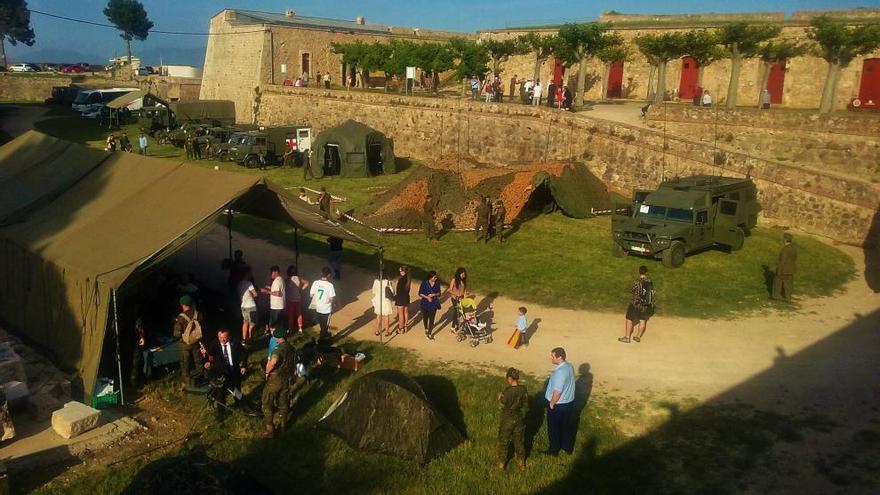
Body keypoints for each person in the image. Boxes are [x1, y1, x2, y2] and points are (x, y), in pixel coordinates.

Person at [203, 328, 248, 420]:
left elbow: (244, 353)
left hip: (233, 371)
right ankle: (221, 412)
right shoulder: (214, 344)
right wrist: (207, 361)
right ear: (218, 337)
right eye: (221, 337)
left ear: (228, 337)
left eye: (225, 338)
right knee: (220, 393)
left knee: (236, 389)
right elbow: (209, 356)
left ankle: (239, 405)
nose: (223, 340)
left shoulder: (235, 343)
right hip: (221, 372)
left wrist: (243, 365)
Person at [262, 325, 293, 438]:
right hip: (287, 379)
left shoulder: (278, 349)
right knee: (284, 403)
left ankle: (270, 430)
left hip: (275, 380)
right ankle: (283, 426)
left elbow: (274, 361)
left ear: (277, 337)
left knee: (267, 403)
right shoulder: (291, 348)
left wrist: (267, 372)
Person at [544, 347, 575, 456]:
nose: (551, 358)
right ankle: (567, 447)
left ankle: (554, 449)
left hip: (558, 405)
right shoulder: (569, 366)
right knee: (566, 426)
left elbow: (557, 392)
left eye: (553, 356)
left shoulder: (560, 373)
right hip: (569, 402)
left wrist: (552, 404)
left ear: (559, 357)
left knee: (554, 428)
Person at [497, 367, 528, 470]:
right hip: (519, 418)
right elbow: (526, 405)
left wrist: (500, 397)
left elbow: (502, 405)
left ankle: (502, 464)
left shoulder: (508, 391)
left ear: (510, 378)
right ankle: (521, 462)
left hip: (507, 419)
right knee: (519, 441)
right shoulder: (523, 389)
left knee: (504, 442)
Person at [172, 295, 205, 391]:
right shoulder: (198, 314)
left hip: (185, 344)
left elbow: (177, 334)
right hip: (197, 342)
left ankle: (187, 383)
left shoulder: (181, 317)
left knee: (185, 364)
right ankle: (199, 379)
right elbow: (204, 329)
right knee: (198, 362)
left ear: (182, 305)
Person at [619, 265, 653, 343]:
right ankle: (638, 337)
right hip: (645, 305)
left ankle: (627, 337)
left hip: (635, 303)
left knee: (629, 319)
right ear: (646, 272)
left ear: (639, 272)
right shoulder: (650, 282)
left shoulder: (637, 282)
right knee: (642, 320)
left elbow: (632, 290)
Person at [310, 267, 337, 340]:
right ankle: (322, 339)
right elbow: (332, 298)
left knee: (322, 324)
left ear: (321, 273)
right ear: (329, 275)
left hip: (318, 307)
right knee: (325, 325)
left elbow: (311, 295)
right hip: (326, 308)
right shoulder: (330, 285)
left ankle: (324, 334)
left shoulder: (315, 282)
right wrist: (334, 304)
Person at [772, 233, 797, 302]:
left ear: (785, 239)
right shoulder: (794, 248)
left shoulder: (785, 249)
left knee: (777, 282)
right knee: (788, 285)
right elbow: (794, 258)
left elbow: (782, 261)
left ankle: (776, 297)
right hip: (791, 269)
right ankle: (788, 298)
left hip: (783, 269)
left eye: (783, 238)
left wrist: (778, 271)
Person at [419, 271, 442, 340]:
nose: (436, 278)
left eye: (436, 277)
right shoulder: (424, 283)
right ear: (430, 277)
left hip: (433, 304)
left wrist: (434, 294)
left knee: (432, 319)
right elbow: (420, 293)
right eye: (434, 277)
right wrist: (427, 297)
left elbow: (439, 293)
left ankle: (429, 333)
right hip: (424, 304)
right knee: (425, 318)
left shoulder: (437, 283)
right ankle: (426, 328)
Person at [286, 265, 309, 333]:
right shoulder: (298, 278)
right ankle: (300, 327)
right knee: (299, 314)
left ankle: (291, 328)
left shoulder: (288, 279)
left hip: (290, 299)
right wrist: (301, 289)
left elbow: (285, 288)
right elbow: (307, 283)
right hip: (298, 299)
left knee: (291, 315)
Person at [239, 267, 258, 344]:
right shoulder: (249, 284)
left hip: (243, 306)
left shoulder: (239, 284)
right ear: (246, 274)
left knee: (245, 322)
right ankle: (250, 338)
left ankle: (244, 339)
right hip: (251, 305)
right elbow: (255, 294)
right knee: (252, 323)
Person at [447, 267, 467, 331]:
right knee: (456, 311)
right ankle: (453, 327)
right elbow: (449, 290)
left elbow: (463, 290)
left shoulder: (463, 281)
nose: (464, 276)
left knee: (460, 312)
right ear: (459, 274)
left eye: (464, 274)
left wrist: (465, 293)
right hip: (455, 299)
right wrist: (456, 294)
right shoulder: (454, 280)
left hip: (461, 299)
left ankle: (456, 325)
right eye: (463, 274)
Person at [393, 266, 412, 335]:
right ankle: (405, 326)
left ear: (404, 271)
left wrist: (395, 297)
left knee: (401, 314)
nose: (400, 272)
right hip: (406, 297)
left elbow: (398, 290)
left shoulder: (401, 280)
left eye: (400, 271)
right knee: (405, 312)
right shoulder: (408, 278)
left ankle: (401, 328)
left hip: (400, 298)